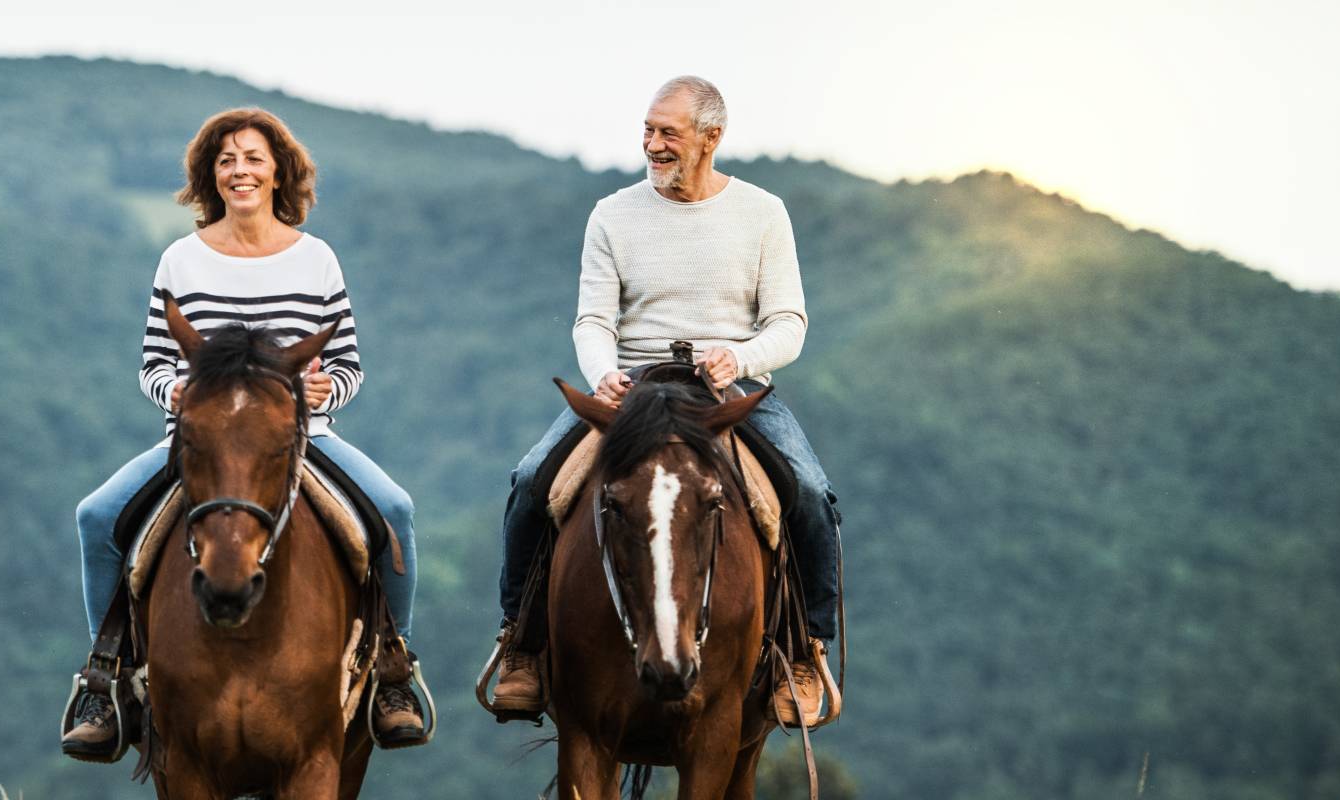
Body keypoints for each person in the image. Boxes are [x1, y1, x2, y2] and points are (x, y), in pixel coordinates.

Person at [62, 108, 422, 758]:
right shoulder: (181, 260)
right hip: (200, 440)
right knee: (97, 516)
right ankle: (107, 676)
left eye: (253, 157)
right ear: (211, 176)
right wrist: (172, 391)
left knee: (393, 510)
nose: (240, 171)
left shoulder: (316, 260)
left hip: (299, 440)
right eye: (226, 160)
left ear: (278, 169)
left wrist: (322, 392)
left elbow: (347, 366)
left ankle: (392, 670)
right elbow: (151, 364)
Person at [490, 77, 843, 727]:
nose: (652, 145)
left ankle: (803, 650)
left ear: (711, 138)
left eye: (667, 134)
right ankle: (521, 644)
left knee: (810, 491)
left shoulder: (763, 212)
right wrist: (602, 374)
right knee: (531, 480)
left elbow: (788, 323)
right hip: (632, 387)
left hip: (723, 389)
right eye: (648, 131)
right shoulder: (612, 214)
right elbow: (592, 320)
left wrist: (740, 357)